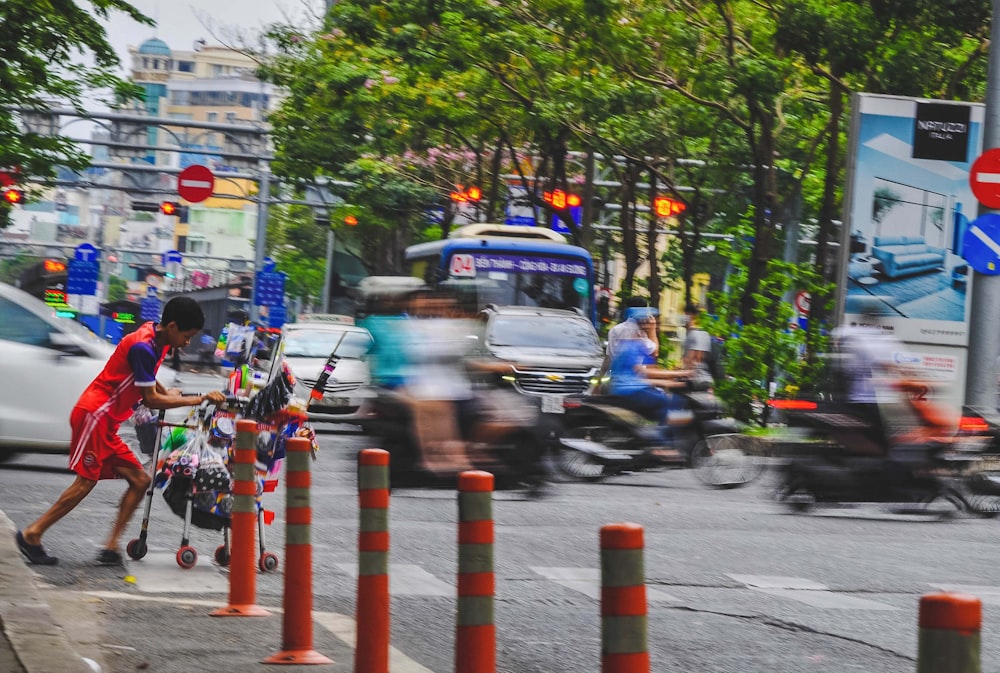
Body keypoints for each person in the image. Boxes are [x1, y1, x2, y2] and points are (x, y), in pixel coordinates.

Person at [16, 296, 227, 566]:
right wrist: (199, 398)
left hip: (107, 421)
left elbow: (147, 379)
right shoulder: (144, 345)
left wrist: (167, 390)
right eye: (187, 336)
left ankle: (111, 546)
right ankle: (32, 534)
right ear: (172, 326)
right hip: (95, 415)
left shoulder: (157, 339)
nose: (187, 342)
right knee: (85, 482)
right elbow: (150, 399)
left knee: (140, 481)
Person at [681, 303, 714, 389]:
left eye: (684, 315)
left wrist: (679, 373)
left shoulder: (694, 334)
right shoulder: (703, 333)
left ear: (690, 316)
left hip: (696, 380)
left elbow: (693, 361)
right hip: (703, 378)